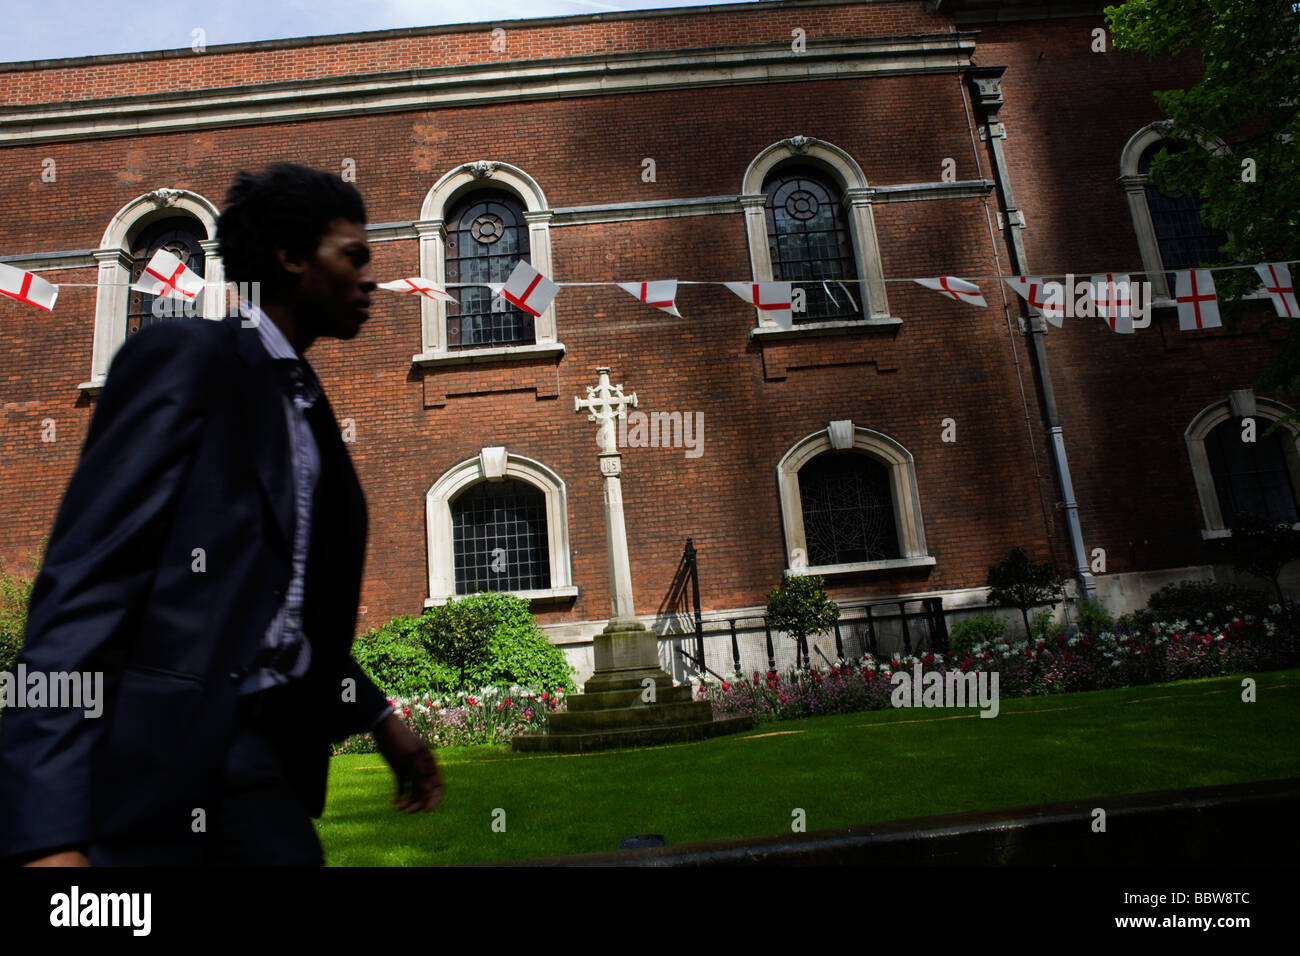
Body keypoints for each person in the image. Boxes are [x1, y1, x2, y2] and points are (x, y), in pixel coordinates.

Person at [0, 163, 442, 866]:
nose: (370, 280)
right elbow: (83, 589)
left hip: (256, 773)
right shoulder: (186, 360)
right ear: (293, 258)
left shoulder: (306, 406)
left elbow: (271, 611)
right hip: (151, 782)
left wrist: (377, 716)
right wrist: (43, 837)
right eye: (353, 255)